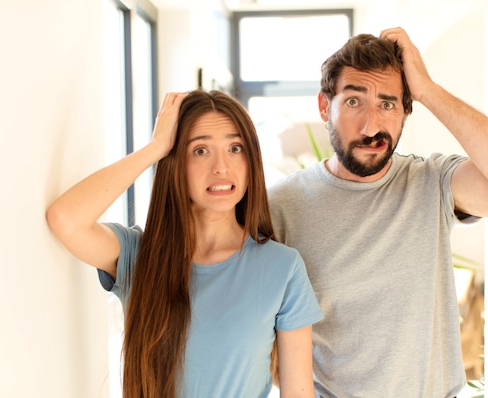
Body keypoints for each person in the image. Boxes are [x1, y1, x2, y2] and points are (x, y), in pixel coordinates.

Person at [267, 27, 488, 397]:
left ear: (405, 112)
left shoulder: (431, 183)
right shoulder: (281, 206)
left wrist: (428, 90)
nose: (372, 126)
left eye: (388, 104)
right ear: (325, 106)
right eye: (354, 102)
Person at [46, 90, 323, 398]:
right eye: (200, 150)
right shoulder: (138, 255)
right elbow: (66, 219)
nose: (221, 167)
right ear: (174, 161)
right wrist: (155, 149)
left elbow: (298, 393)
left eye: (235, 148)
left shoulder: (282, 268)